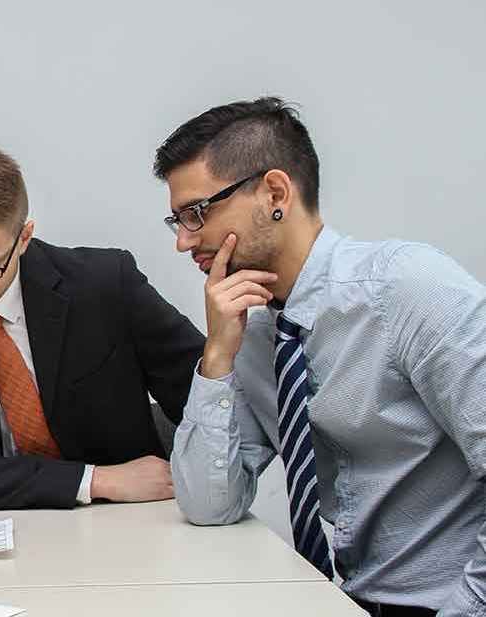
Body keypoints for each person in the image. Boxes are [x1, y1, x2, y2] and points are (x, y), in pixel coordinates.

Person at [160, 97, 486, 616]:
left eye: (197, 213)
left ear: (275, 193)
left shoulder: (408, 290)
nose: (183, 241)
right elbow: (207, 505)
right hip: (347, 600)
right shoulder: (254, 327)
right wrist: (218, 354)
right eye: (176, 220)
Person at [0, 141, 204, 510]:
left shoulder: (106, 284)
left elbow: (206, 403)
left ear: (24, 238)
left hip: (128, 520)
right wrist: (97, 479)